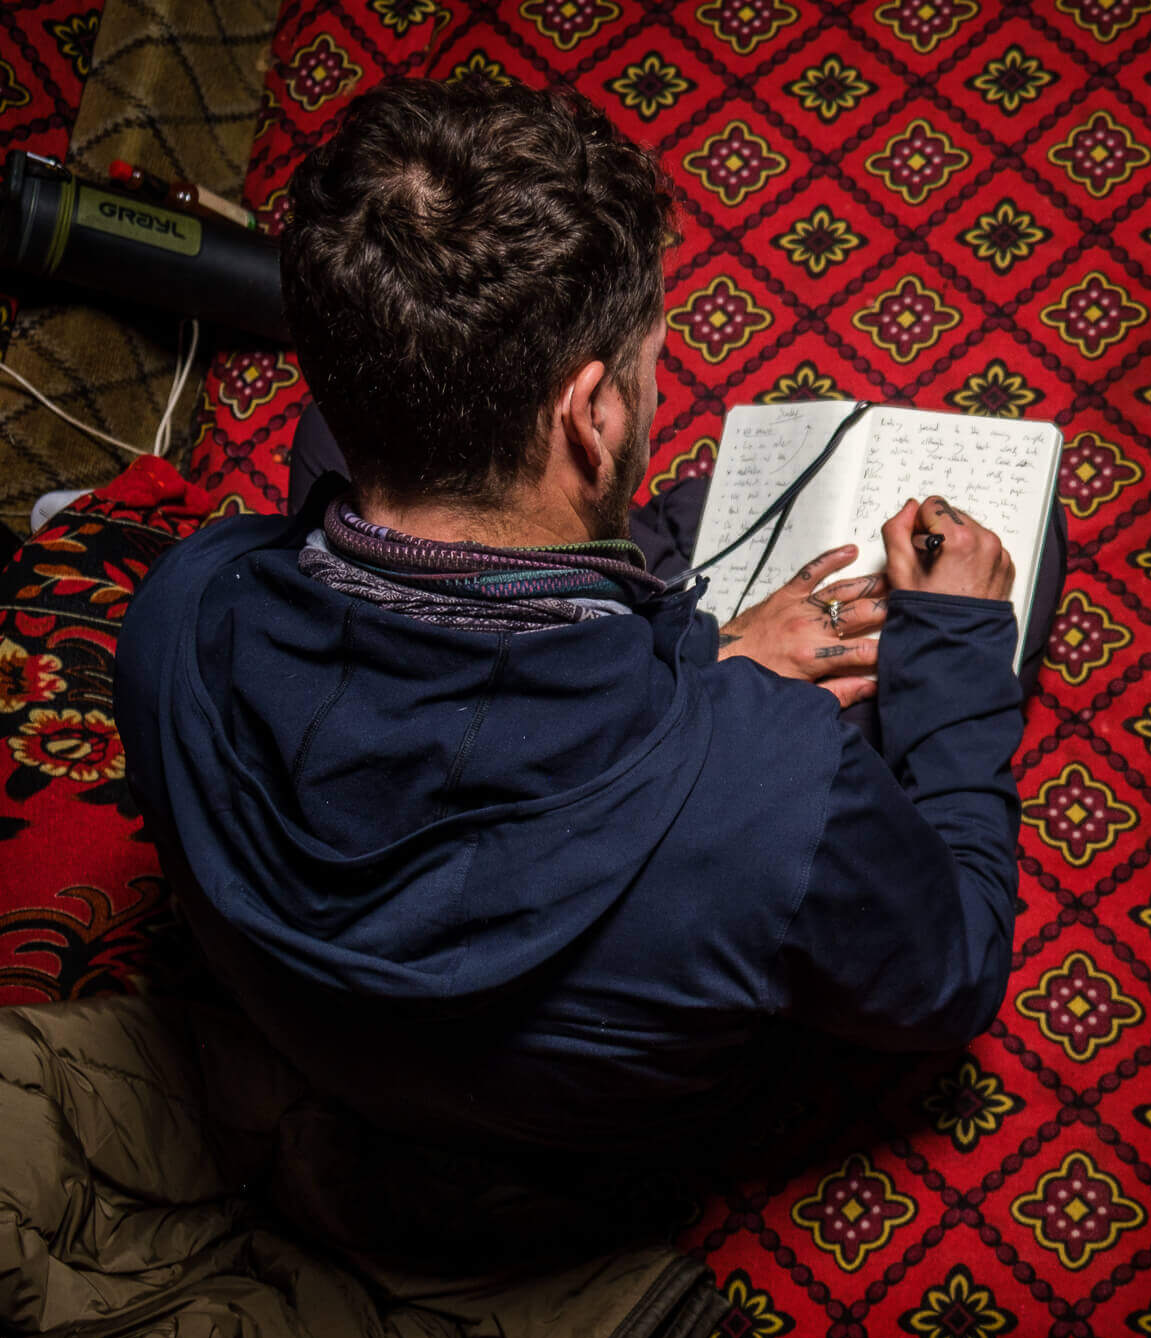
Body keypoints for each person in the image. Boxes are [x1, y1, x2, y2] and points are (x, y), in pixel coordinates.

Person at [114, 77, 1039, 1151]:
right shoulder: (779, 794)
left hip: (353, 1058)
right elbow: (951, 981)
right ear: (592, 415)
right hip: (581, 1148)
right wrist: (957, 648)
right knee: (997, 579)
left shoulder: (179, 608)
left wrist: (703, 660)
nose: (656, 388)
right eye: (649, 366)